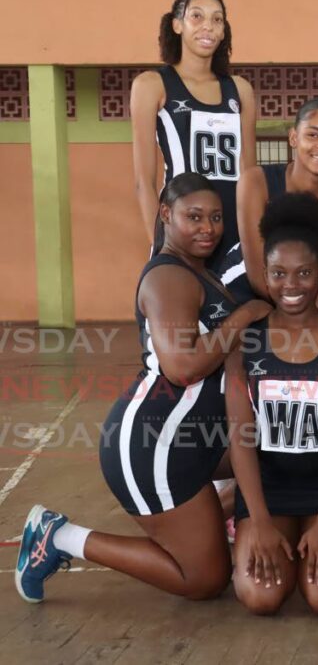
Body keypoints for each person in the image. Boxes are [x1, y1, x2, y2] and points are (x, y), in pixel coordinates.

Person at [16, 173, 270, 603]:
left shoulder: (199, 272)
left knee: (288, 448)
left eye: (215, 217)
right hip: (154, 445)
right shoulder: (168, 277)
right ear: (166, 215)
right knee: (204, 579)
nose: (208, 227)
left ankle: (216, 516)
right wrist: (243, 317)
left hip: (193, 438)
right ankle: (59, 537)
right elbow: (182, 366)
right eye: (194, 217)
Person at [226, 192, 318, 616]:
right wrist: (259, 519)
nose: (292, 285)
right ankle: (241, 531)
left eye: (304, 272)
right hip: (266, 489)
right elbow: (241, 435)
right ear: (264, 275)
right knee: (260, 596)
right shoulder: (247, 339)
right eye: (279, 273)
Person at [131, 0, 256, 267]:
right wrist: (162, 244)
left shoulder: (240, 90)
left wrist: (254, 240)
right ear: (177, 24)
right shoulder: (152, 85)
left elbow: (251, 179)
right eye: (196, 16)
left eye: (217, 20)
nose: (208, 26)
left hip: (233, 230)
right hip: (181, 231)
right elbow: (143, 182)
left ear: (224, 32)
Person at [222, 98, 318, 317]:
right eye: (313, 134)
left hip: (310, 300)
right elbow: (257, 276)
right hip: (248, 294)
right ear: (293, 137)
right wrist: (297, 321)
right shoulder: (255, 182)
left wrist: (312, 318)